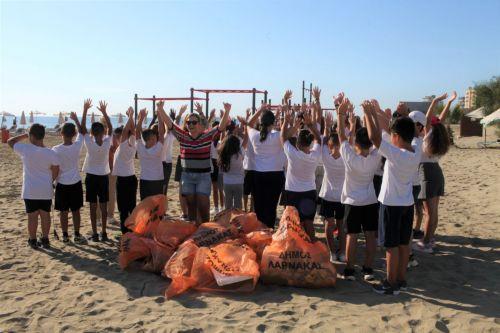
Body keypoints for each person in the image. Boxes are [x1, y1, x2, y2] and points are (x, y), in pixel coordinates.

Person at [363, 99, 421, 295]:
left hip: (391, 204)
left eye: (393, 135)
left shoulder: (397, 155)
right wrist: (380, 113)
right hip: (407, 204)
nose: (391, 137)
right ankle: (402, 280)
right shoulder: (415, 148)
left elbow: (374, 137)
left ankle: (390, 282)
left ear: (397, 136)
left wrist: (369, 113)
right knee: (404, 244)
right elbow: (389, 132)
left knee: (391, 246)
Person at [159, 100, 231, 224]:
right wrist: (160, 109)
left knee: (203, 205)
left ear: (199, 124)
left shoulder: (206, 136)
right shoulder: (183, 136)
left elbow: (220, 127)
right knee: (191, 206)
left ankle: (204, 228)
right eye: (188, 122)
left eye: (193, 122)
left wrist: (227, 111)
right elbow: (170, 124)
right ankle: (194, 229)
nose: (190, 124)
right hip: (187, 176)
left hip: (203, 176)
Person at [336, 97, 381, 282]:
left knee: (351, 236)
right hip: (370, 200)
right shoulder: (375, 156)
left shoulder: (349, 156)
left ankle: (349, 270)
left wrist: (340, 113)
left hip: (352, 202)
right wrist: (370, 114)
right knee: (370, 235)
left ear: (356, 143)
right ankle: (368, 269)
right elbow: (378, 136)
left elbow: (340, 134)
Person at [413, 91, 456, 254]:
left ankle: (425, 242)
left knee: (428, 212)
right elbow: (439, 119)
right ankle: (430, 239)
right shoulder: (439, 136)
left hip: (427, 173)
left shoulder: (427, 137)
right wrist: (449, 103)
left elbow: (429, 117)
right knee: (434, 211)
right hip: (437, 172)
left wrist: (436, 101)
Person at [8, 123, 60, 248]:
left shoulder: (25, 149)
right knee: (45, 214)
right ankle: (45, 238)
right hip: (45, 188)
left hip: (30, 189)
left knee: (32, 217)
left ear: (31, 136)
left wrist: (25, 135)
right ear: (43, 136)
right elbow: (56, 169)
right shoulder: (51, 153)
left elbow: (10, 141)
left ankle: (32, 239)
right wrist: (51, 180)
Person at [246, 95, 288, 228]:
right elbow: (289, 132)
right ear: (273, 122)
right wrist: (285, 116)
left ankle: (261, 232)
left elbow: (248, 124)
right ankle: (269, 231)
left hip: (259, 175)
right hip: (276, 175)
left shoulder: (255, 135)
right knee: (271, 207)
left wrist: (260, 109)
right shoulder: (277, 137)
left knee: (259, 208)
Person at [280, 107, 321, 239]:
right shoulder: (314, 154)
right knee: (309, 223)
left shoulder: (293, 153)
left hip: (292, 191)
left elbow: (283, 137)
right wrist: (310, 125)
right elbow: (319, 140)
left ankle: (293, 248)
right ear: (309, 143)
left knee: (291, 223)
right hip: (309, 191)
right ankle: (312, 248)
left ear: (297, 143)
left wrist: (288, 122)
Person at [81, 99, 113, 242]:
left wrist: (85, 110)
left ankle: (95, 233)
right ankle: (104, 232)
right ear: (103, 132)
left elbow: (82, 129)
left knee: (93, 207)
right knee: (104, 206)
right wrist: (105, 112)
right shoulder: (106, 143)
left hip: (92, 178)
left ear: (92, 133)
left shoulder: (89, 143)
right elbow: (111, 128)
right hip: (103, 177)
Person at [52, 113, 84, 243]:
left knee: (63, 211)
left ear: (61, 134)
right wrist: (77, 119)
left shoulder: (55, 149)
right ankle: (76, 234)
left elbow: (54, 167)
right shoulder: (77, 146)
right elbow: (82, 131)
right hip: (75, 182)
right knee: (76, 211)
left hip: (61, 183)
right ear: (74, 134)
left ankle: (65, 235)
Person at [319, 112, 346, 263]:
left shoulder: (325, 155)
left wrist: (328, 126)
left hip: (328, 195)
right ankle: (342, 252)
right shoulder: (346, 158)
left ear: (330, 146)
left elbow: (323, 140)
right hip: (342, 196)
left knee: (329, 225)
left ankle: (331, 252)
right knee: (341, 225)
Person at [112, 107, 137, 234]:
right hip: (131, 178)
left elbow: (128, 130)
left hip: (123, 180)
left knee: (123, 209)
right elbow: (132, 130)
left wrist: (131, 116)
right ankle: (131, 231)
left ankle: (126, 232)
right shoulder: (132, 142)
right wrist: (131, 118)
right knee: (131, 208)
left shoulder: (122, 146)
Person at [135, 108, 165, 200]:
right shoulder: (157, 149)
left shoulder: (141, 148)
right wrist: (159, 115)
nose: (156, 139)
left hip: (150, 180)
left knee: (150, 205)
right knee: (148, 205)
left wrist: (141, 118)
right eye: (153, 138)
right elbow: (161, 132)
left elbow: (137, 132)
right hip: (153, 180)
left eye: (155, 138)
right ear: (148, 140)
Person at [218, 133, 246, 209]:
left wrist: (223, 132)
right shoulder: (240, 153)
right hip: (239, 182)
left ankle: (228, 220)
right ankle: (238, 220)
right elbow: (246, 139)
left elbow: (221, 142)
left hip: (227, 182)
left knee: (227, 206)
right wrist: (246, 127)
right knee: (238, 205)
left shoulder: (223, 154)